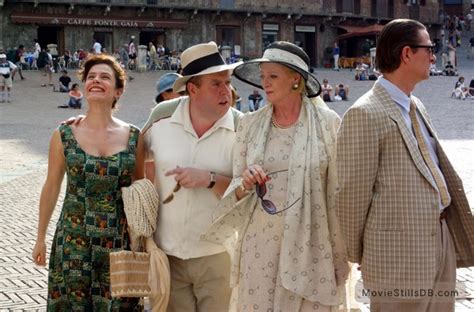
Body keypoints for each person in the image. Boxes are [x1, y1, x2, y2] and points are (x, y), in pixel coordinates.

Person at [336, 19, 474, 311]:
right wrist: (359, 255)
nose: (434, 56)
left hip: (439, 241)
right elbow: (351, 195)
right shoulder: (364, 113)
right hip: (396, 255)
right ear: (407, 54)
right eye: (429, 48)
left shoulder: (416, 105)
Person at [203, 41, 349, 311]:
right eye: (262, 77)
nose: (265, 83)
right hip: (261, 245)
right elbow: (236, 186)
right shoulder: (249, 125)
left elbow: (339, 190)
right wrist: (245, 182)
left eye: (273, 76)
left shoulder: (329, 124)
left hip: (312, 244)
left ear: (295, 79)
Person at [32, 54, 144, 310]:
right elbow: (51, 186)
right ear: (83, 87)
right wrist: (40, 237)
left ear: (118, 90)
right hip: (73, 242)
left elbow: (141, 189)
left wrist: (145, 242)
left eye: (105, 77)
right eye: (91, 77)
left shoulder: (134, 137)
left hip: (119, 244)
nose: (96, 81)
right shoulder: (64, 134)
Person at [140, 41, 241, 312]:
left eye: (227, 82)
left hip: (218, 256)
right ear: (192, 89)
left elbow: (248, 194)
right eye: (216, 84)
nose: (226, 91)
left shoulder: (243, 127)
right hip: (167, 256)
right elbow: (134, 159)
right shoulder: (161, 117)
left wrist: (210, 179)